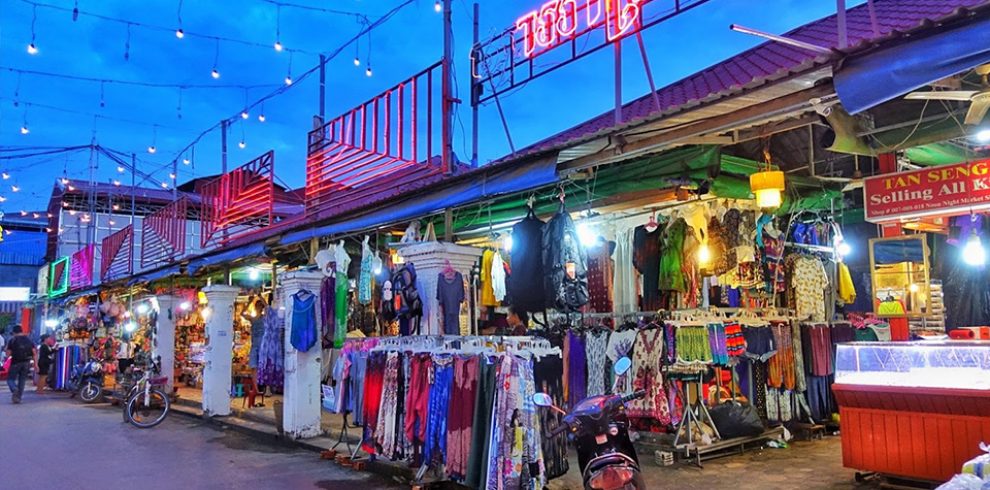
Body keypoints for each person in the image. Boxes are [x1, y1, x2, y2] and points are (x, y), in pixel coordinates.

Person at [5, 326, 37, 404]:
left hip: (15, 362)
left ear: (14, 332)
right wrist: (35, 364)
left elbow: (8, 354)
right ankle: (18, 398)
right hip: (27, 362)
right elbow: (34, 352)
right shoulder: (29, 340)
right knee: (22, 380)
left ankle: (14, 388)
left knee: (10, 379)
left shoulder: (12, 340)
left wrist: (8, 354)